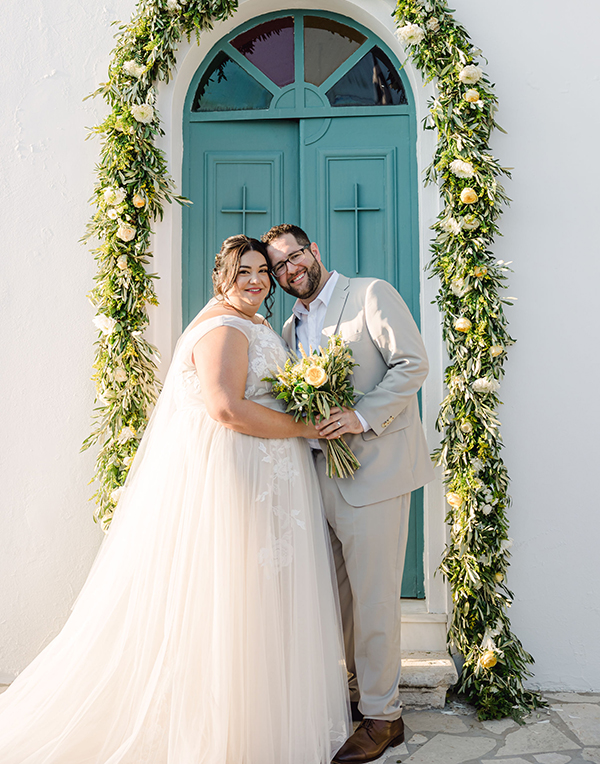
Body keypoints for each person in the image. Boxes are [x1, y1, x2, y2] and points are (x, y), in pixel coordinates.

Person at [0, 235, 350, 764]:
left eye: (262, 269)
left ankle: (261, 718)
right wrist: (307, 426)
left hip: (270, 472)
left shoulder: (256, 325)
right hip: (241, 474)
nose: (255, 280)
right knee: (236, 597)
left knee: (260, 600)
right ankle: (225, 733)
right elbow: (226, 409)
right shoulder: (224, 328)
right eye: (243, 271)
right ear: (222, 278)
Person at [262, 224, 435, 764]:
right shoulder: (289, 329)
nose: (291, 270)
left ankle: (385, 718)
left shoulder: (370, 294)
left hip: (377, 474)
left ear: (314, 251)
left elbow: (414, 364)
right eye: (279, 267)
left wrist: (360, 416)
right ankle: (362, 696)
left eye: (295, 257)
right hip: (322, 478)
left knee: (377, 599)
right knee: (339, 601)